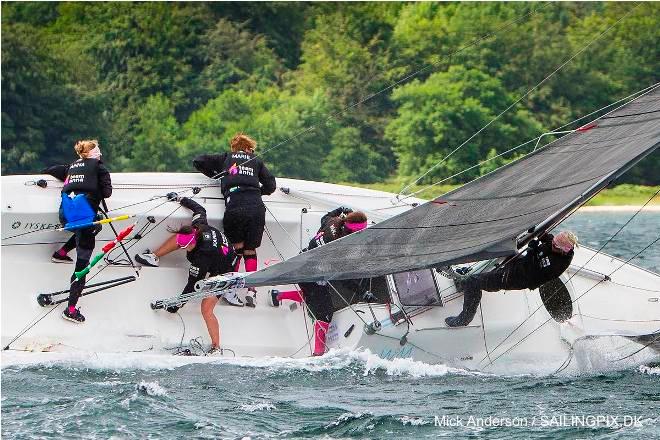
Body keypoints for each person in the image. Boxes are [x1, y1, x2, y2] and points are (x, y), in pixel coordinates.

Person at [268, 207, 368, 356]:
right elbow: (341, 278)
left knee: (311, 295)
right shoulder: (338, 247)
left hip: (302, 262)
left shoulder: (334, 222)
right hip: (310, 273)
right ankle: (318, 354)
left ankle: (278, 295)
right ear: (352, 233)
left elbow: (325, 217)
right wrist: (362, 292)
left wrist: (340, 209)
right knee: (325, 311)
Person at [144, 195, 238, 354]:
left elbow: (193, 287)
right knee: (178, 239)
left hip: (225, 269)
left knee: (206, 308)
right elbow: (199, 209)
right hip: (219, 252)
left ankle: (216, 347)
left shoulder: (202, 258)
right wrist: (181, 199)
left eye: (184, 246)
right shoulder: (198, 225)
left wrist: (177, 305)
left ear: (193, 243)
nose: (181, 248)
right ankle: (153, 256)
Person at [443, 231, 578, 327]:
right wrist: (534, 228)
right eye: (553, 242)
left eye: (555, 246)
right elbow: (547, 237)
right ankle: (465, 284)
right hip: (520, 264)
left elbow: (531, 272)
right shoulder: (556, 245)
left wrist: (532, 252)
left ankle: (465, 318)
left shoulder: (556, 265)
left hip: (519, 278)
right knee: (504, 248)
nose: (552, 245)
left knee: (474, 282)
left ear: (564, 251)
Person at [191, 133, 276, 286]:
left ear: (234, 148)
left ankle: (230, 288)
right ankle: (252, 290)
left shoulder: (226, 158)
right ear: (249, 149)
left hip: (235, 206)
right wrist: (255, 190)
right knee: (250, 250)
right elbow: (271, 186)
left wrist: (216, 176)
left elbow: (198, 161)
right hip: (256, 207)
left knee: (236, 249)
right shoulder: (256, 161)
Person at [57, 140, 112, 323]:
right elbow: (107, 193)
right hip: (84, 218)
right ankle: (70, 310)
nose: (100, 154)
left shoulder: (71, 166)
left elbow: (54, 170)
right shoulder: (100, 167)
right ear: (92, 153)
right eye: (98, 150)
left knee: (95, 226)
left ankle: (61, 252)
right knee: (82, 267)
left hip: (66, 216)